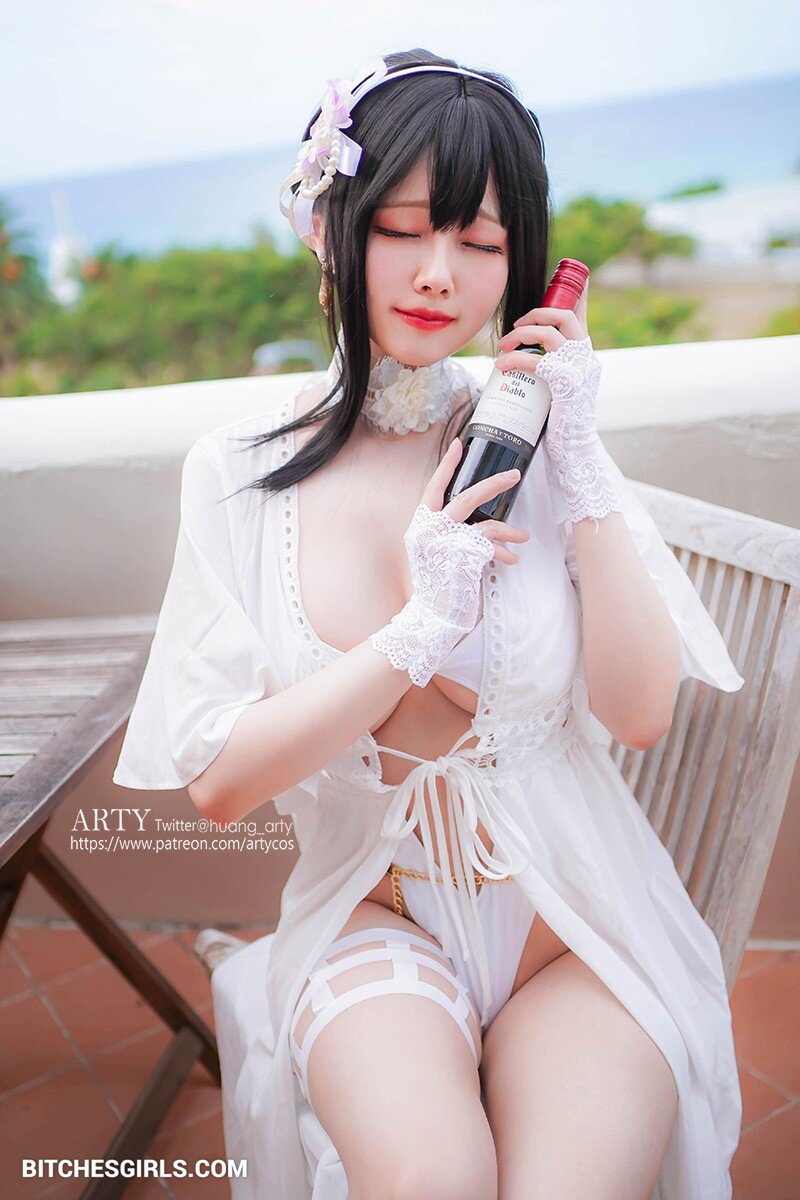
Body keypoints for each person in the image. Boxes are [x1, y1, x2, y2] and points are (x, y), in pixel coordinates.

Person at [113, 48, 746, 1200]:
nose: (439, 275)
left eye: (481, 243)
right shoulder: (239, 474)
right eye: (402, 229)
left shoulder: (536, 435)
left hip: (568, 922)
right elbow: (221, 784)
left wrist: (581, 463)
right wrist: (417, 628)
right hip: (377, 917)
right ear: (327, 228)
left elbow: (638, 714)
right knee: (430, 1179)